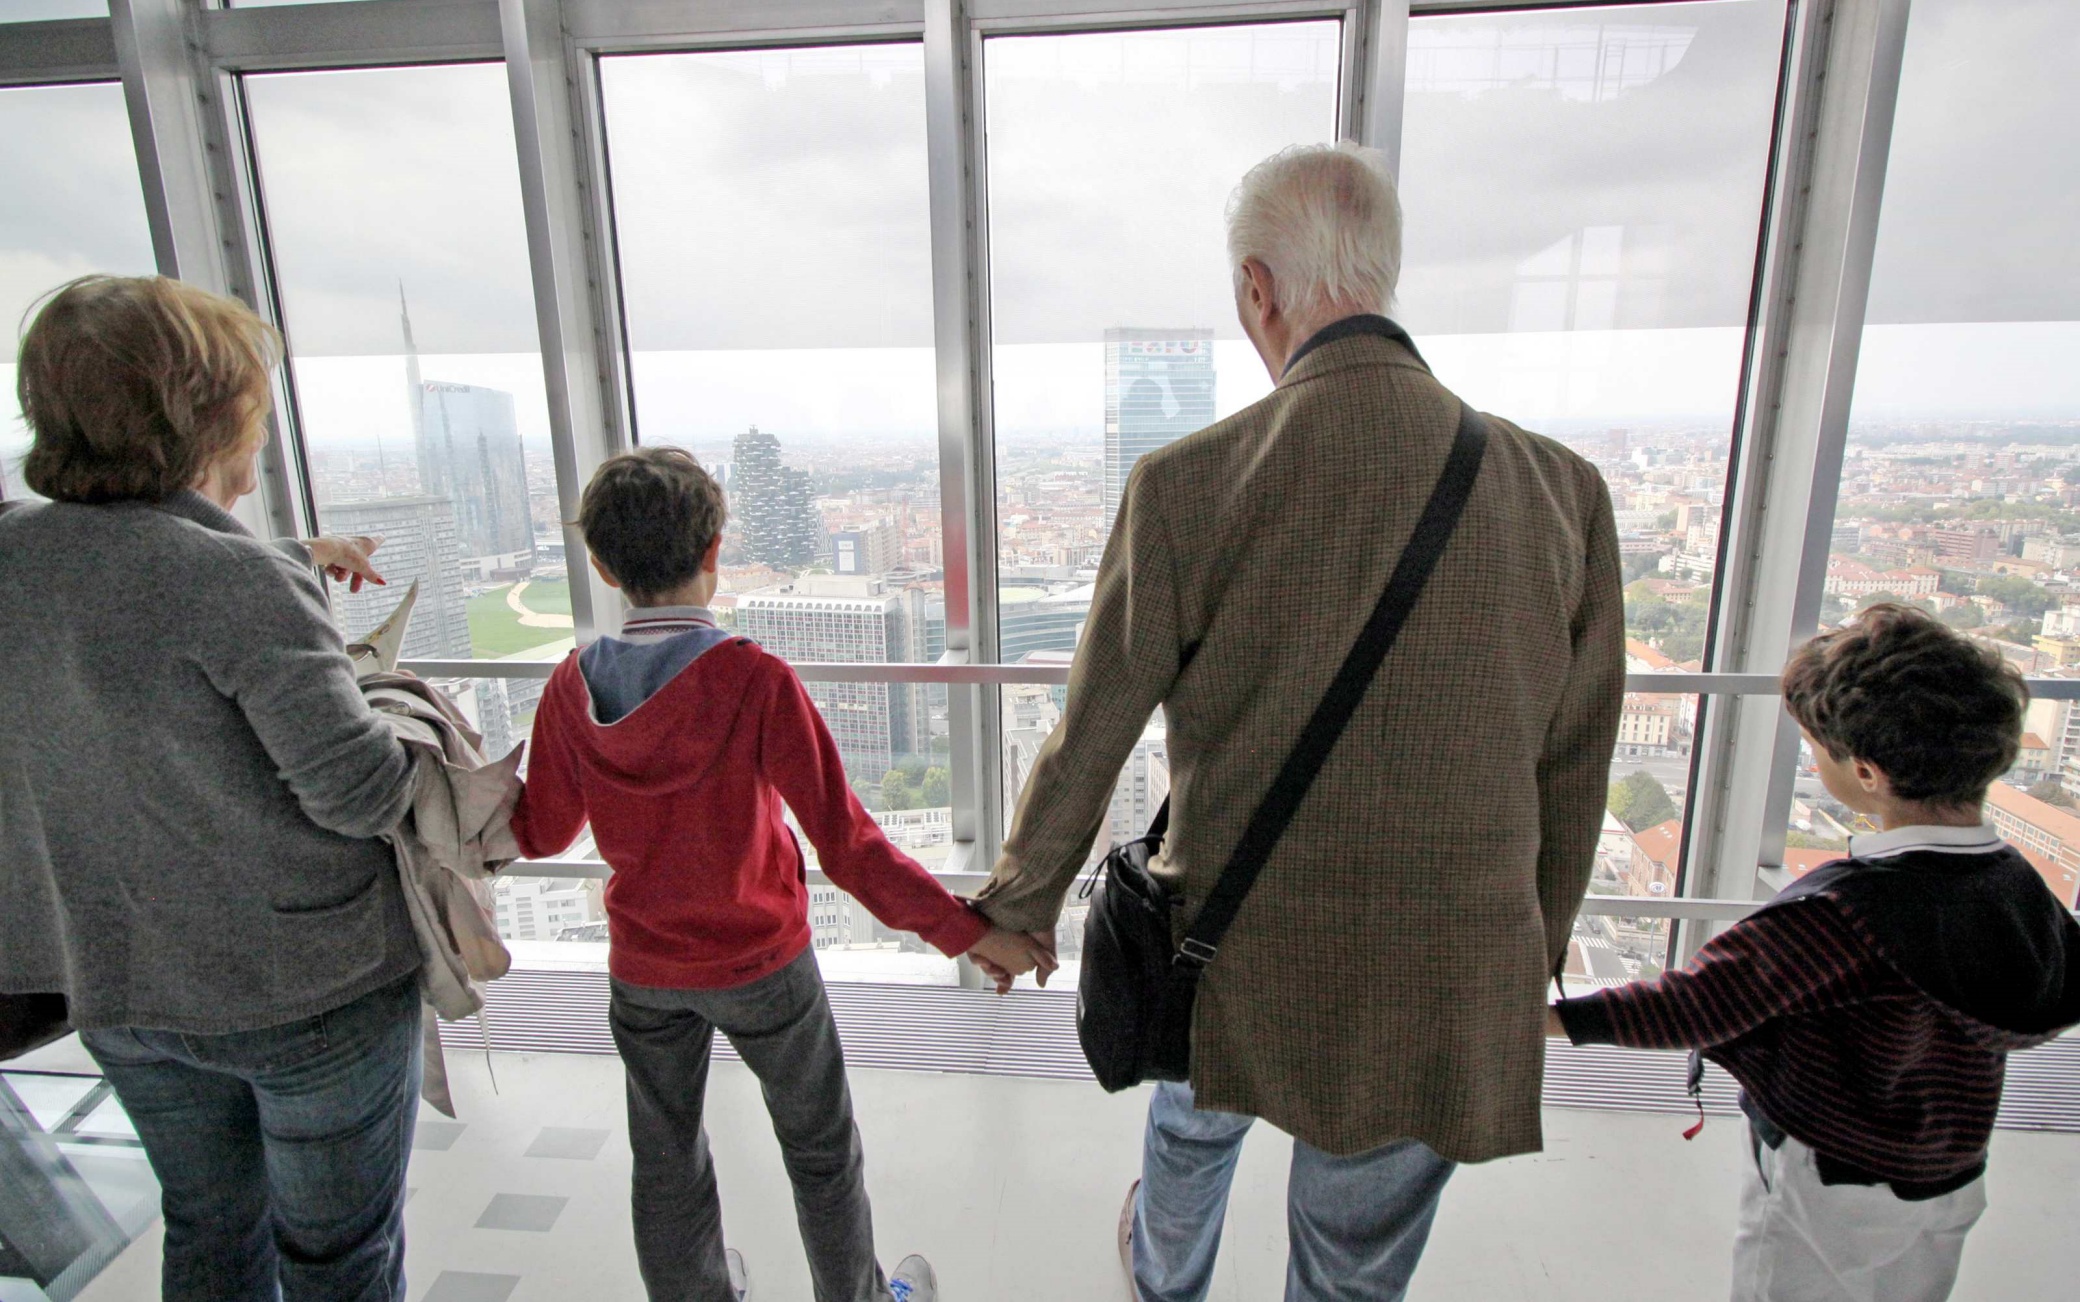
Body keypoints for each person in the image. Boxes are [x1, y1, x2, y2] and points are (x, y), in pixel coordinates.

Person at [967, 141, 1625, 1301]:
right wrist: (1527, 948)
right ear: (1383, 272)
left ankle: (1164, 1280)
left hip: (1237, 941)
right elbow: (1572, 766)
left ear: (1256, 292)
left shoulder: (1187, 484)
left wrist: (1015, 906)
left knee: (1189, 1128)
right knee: (1353, 1251)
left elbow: (1093, 728)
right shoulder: (1561, 490)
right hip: (1445, 963)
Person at [511, 448, 1054, 1302]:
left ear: (603, 566)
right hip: (764, 964)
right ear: (715, 551)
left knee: (664, 1160)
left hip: (645, 969)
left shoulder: (570, 687)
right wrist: (974, 932)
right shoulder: (754, 679)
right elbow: (850, 848)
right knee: (820, 1154)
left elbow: (540, 832)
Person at [0, 275, 421, 1300]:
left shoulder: (12, 551)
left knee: (210, 1231)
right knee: (336, 1258)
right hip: (301, 990)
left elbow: (120, 603)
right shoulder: (239, 586)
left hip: (116, 982)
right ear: (205, 417)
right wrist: (403, 708)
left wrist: (287, 565)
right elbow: (360, 796)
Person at [1549, 604, 2080, 1302]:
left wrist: (1546, 1021)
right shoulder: (2017, 886)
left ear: (1866, 772)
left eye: (1816, 749)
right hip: (1947, 1170)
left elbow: (1695, 1007)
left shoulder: (1841, 914)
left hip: (1829, 1176)